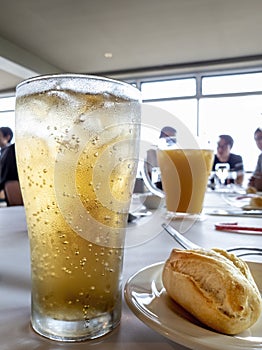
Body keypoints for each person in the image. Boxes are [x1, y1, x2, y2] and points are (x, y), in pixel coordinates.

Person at [0, 127, 20, 205]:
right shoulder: (3, 152)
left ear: (7, 137)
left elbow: (9, 173)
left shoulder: (11, 150)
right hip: (6, 188)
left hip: (13, 186)